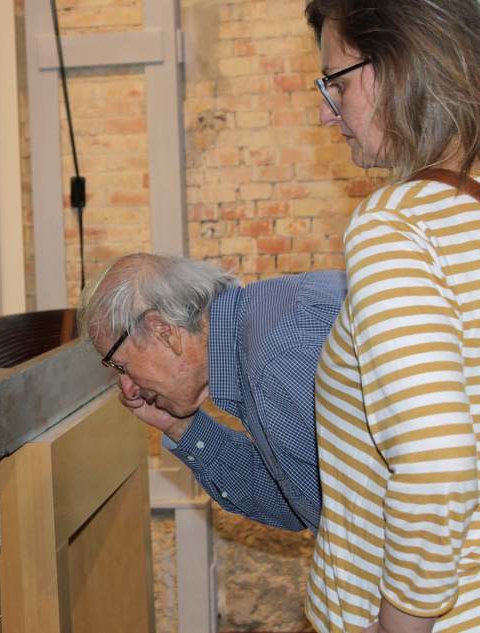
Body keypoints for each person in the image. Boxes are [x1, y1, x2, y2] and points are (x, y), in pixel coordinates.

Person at [304, 1, 480, 631]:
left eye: (338, 82)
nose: (328, 113)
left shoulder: (395, 225)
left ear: (400, 66)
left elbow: (437, 467)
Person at [79, 253, 345, 533]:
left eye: (121, 366)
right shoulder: (259, 338)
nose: (127, 387)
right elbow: (301, 503)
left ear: (162, 331)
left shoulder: (277, 359)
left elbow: (355, 524)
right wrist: (177, 424)